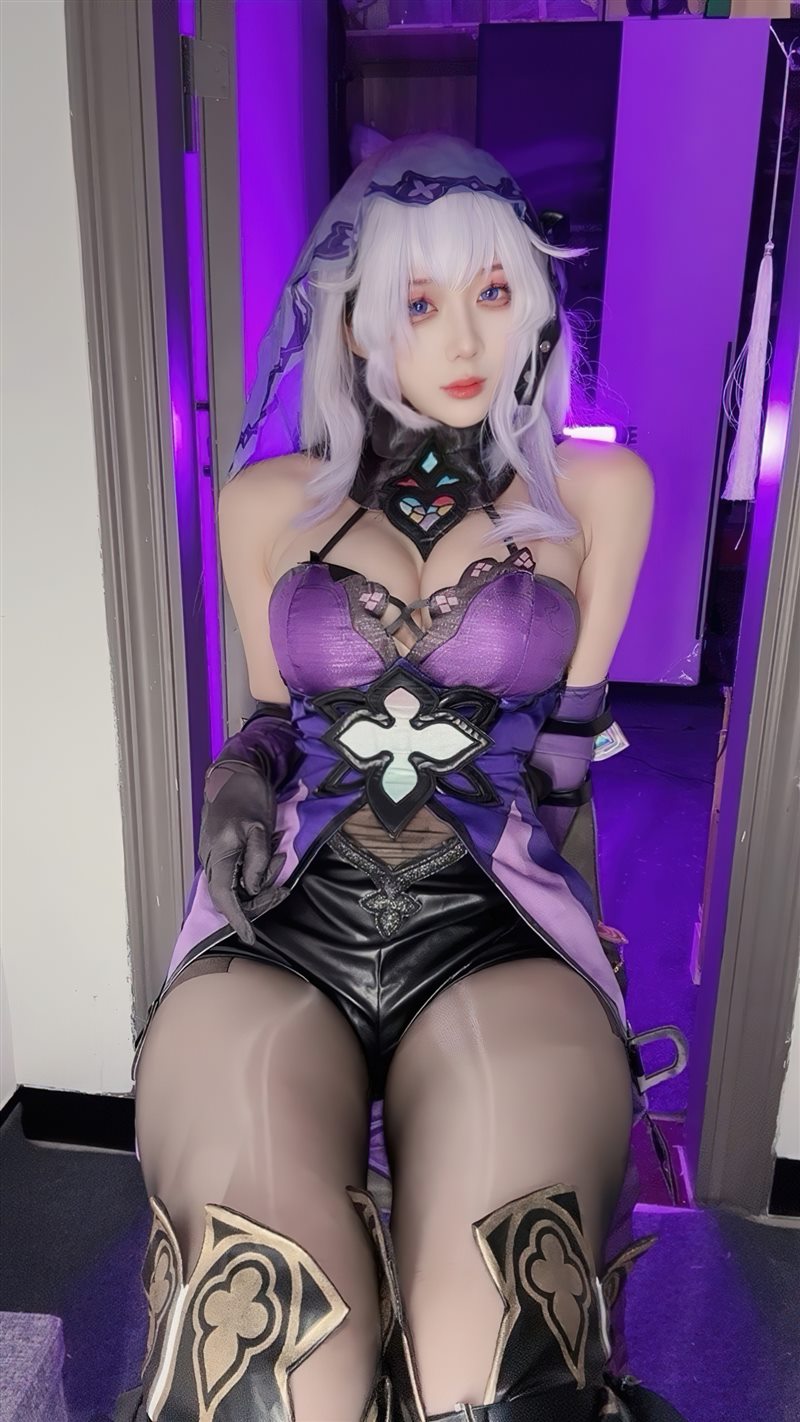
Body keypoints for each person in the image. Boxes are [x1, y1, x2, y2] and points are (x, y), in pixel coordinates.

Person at [116, 134, 689, 1422]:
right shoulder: (264, 501)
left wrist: (590, 939)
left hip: (496, 925)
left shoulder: (598, 488)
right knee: (262, 1367)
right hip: (285, 927)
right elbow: (271, 716)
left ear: (534, 301)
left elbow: (565, 758)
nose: (465, 337)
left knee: (507, 1365)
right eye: (419, 303)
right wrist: (236, 780)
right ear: (357, 323)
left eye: (493, 291)